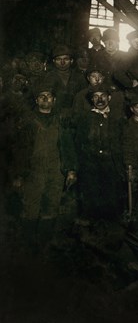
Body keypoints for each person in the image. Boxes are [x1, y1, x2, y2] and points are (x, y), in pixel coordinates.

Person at [13, 82, 77, 252]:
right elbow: (20, 150)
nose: (45, 99)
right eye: (42, 96)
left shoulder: (61, 121)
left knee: (51, 204)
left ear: (54, 100)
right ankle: (27, 244)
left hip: (56, 170)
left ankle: (44, 243)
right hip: (33, 170)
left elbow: (68, 146)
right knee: (31, 206)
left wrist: (71, 170)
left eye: (49, 96)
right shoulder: (28, 121)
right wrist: (18, 175)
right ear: (36, 100)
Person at [73, 83, 126, 221]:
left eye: (103, 96)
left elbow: (125, 143)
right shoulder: (85, 119)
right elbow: (78, 144)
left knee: (113, 206)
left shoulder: (118, 119)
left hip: (112, 167)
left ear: (109, 97)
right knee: (91, 208)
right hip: (90, 168)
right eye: (95, 97)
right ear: (92, 100)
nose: (100, 99)